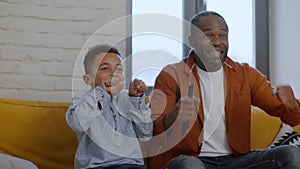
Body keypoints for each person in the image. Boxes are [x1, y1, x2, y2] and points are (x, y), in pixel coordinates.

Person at [148, 11, 300, 169]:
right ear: (191, 41)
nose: (217, 42)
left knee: (291, 155)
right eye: (208, 36)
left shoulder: (245, 74)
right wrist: (175, 117)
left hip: (236, 161)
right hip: (193, 159)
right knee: (189, 165)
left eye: (223, 36)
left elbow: (288, 116)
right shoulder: (171, 75)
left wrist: (292, 107)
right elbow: (155, 129)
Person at [66, 44, 153, 169]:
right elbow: (77, 124)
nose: (113, 74)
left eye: (119, 69)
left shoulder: (128, 98)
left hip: (131, 166)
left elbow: (146, 135)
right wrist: (101, 93)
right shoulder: (82, 99)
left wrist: (136, 100)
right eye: (105, 69)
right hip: (95, 166)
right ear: (88, 79)